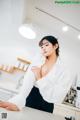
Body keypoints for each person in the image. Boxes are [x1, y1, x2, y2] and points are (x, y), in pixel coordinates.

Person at [0, 36, 73, 113]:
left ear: (55, 46)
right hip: (31, 98)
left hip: (47, 104)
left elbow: (57, 95)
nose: (43, 48)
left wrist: (39, 77)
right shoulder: (37, 62)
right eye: (41, 46)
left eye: (46, 45)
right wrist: (17, 103)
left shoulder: (63, 70)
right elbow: (26, 85)